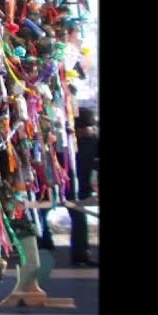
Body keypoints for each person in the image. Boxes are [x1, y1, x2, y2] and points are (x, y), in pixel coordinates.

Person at [70, 108, 98, 267]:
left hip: (82, 187)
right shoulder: (75, 142)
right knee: (79, 219)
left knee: (79, 219)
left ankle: (80, 254)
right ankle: (80, 255)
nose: (90, 131)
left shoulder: (91, 140)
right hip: (74, 188)